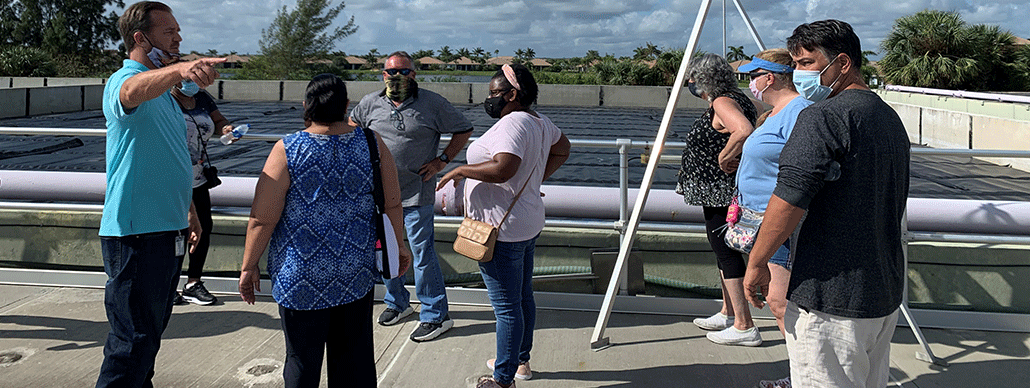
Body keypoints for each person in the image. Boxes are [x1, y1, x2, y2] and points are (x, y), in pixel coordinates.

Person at [743, 20, 910, 388]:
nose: (798, 73)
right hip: (880, 293)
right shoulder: (887, 117)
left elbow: (789, 197)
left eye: (806, 63)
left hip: (829, 300)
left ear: (843, 63)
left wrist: (756, 262)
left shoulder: (822, 117)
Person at [238, 74, 411, 388]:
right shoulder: (371, 142)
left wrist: (250, 265)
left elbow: (262, 218)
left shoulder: (288, 149)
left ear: (306, 106)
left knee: (301, 363)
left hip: (300, 276)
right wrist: (398, 246)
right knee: (354, 361)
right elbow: (393, 204)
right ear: (347, 106)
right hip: (354, 273)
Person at [96, 2, 224, 387]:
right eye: (169, 33)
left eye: (178, 32)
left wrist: (189, 212)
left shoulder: (165, 94)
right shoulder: (126, 80)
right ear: (141, 38)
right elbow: (130, 92)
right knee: (130, 345)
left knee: (145, 345)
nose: (179, 39)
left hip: (167, 229)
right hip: (136, 235)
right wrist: (178, 71)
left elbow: (168, 154)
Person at [438, 64, 570, 388]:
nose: (490, 99)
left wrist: (460, 172)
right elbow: (563, 148)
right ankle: (520, 361)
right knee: (523, 297)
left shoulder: (513, 123)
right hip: (525, 222)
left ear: (513, 95)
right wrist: (536, 178)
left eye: (495, 93)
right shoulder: (539, 121)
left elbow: (503, 168)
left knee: (507, 309)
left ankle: (502, 379)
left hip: (502, 230)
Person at [349, 50, 473, 342]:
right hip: (379, 196)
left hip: (417, 194)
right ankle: (396, 302)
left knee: (422, 255)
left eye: (404, 72)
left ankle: (435, 315)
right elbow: (353, 129)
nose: (397, 77)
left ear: (414, 75)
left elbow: (464, 129)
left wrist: (442, 160)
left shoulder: (432, 103)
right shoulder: (370, 103)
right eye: (392, 72)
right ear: (383, 75)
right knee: (387, 252)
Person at [735, 49, 814, 388]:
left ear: (770, 77)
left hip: (778, 223)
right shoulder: (775, 112)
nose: (750, 83)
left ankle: (806, 378)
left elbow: (804, 170)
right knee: (778, 302)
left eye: (754, 75)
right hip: (760, 219)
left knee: (780, 303)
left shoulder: (798, 112)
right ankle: (802, 375)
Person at [676, 53, 760, 346]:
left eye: (693, 77)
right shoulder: (738, 98)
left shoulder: (722, 102)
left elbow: (744, 130)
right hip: (718, 189)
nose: (689, 83)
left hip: (718, 190)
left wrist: (726, 157)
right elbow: (759, 120)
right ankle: (728, 311)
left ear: (705, 79)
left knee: (725, 249)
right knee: (722, 248)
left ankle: (744, 324)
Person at [171, 84, 233, 306]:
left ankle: (193, 283)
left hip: (198, 178)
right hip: (172, 179)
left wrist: (226, 130)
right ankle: (168, 285)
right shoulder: (163, 98)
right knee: (174, 232)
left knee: (203, 228)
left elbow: (218, 121)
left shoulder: (202, 97)